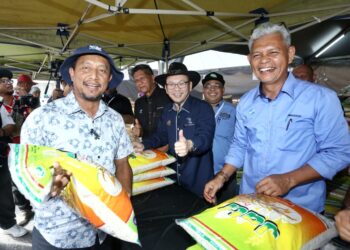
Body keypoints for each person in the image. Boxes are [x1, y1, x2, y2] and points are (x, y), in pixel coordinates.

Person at [204, 22, 350, 213]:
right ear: (250, 60)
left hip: (299, 210)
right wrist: (221, 177)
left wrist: (289, 179)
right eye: (257, 55)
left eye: (273, 52)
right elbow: (240, 145)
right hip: (252, 203)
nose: (264, 60)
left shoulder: (321, 98)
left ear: (290, 54)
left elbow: (338, 153)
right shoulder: (246, 103)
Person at [21, 44, 133, 249]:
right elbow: (25, 172)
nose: (94, 76)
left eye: (102, 70)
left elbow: (123, 162)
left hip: (103, 233)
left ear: (109, 79)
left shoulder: (115, 120)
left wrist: (124, 203)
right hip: (57, 235)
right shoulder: (42, 118)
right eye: (86, 68)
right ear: (72, 73)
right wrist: (48, 186)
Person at [130, 62, 215, 250]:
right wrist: (143, 144)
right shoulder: (168, 110)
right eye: (172, 84)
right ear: (166, 89)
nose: (177, 88)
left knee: (197, 234)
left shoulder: (203, 108)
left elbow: (205, 138)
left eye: (181, 83)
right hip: (173, 182)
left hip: (198, 183)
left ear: (190, 86)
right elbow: (161, 135)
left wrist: (190, 145)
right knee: (175, 237)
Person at [0, 68, 34, 226]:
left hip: (27, 148)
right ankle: (26, 210)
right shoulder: (1, 107)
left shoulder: (22, 101)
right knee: (14, 184)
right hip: (8, 151)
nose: (8, 83)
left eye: (9, 80)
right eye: (3, 81)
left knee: (32, 179)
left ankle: (37, 208)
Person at [202, 72, 237, 203]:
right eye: (208, 86)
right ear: (203, 90)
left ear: (223, 90)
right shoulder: (196, 110)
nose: (212, 89)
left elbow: (240, 142)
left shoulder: (233, 111)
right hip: (201, 173)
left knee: (226, 212)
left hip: (225, 173)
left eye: (217, 86)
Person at [131, 64, 171, 140]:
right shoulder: (138, 103)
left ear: (152, 78)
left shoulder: (168, 96)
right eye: (136, 81)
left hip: (168, 149)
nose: (139, 83)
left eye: (142, 78)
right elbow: (138, 127)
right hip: (147, 149)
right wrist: (138, 131)